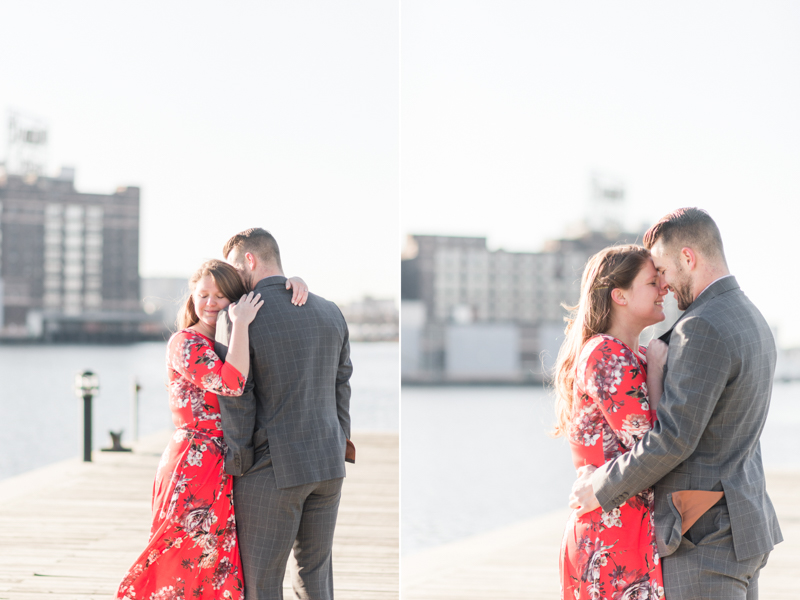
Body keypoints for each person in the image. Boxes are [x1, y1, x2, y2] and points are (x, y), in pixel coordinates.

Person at [570, 208, 783, 599]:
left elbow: (673, 438)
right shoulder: (750, 316)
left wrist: (600, 487)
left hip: (704, 539)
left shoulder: (701, 325)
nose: (665, 286)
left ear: (688, 258)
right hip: (744, 525)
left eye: (663, 271)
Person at [116, 259, 308, 600]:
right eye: (202, 294)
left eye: (220, 296)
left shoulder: (223, 342)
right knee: (181, 553)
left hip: (223, 462)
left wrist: (291, 283)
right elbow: (232, 383)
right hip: (192, 462)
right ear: (191, 298)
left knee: (215, 560)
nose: (210, 303)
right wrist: (243, 322)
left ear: (234, 299)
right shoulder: (184, 343)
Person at [214, 228, 353, 600]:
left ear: (250, 260)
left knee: (262, 582)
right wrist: (341, 441)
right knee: (316, 576)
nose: (230, 280)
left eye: (232, 268)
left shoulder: (239, 316)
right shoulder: (329, 311)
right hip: (328, 464)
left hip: (271, 470)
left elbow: (236, 394)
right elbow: (342, 384)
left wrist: (239, 463)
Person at [555, 244, 669, 599]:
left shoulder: (629, 354)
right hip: (609, 539)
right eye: (653, 281)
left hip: (621, 531)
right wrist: (659, 371)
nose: (664, 288)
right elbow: (651, 445)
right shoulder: (606, 353)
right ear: (619, 295)